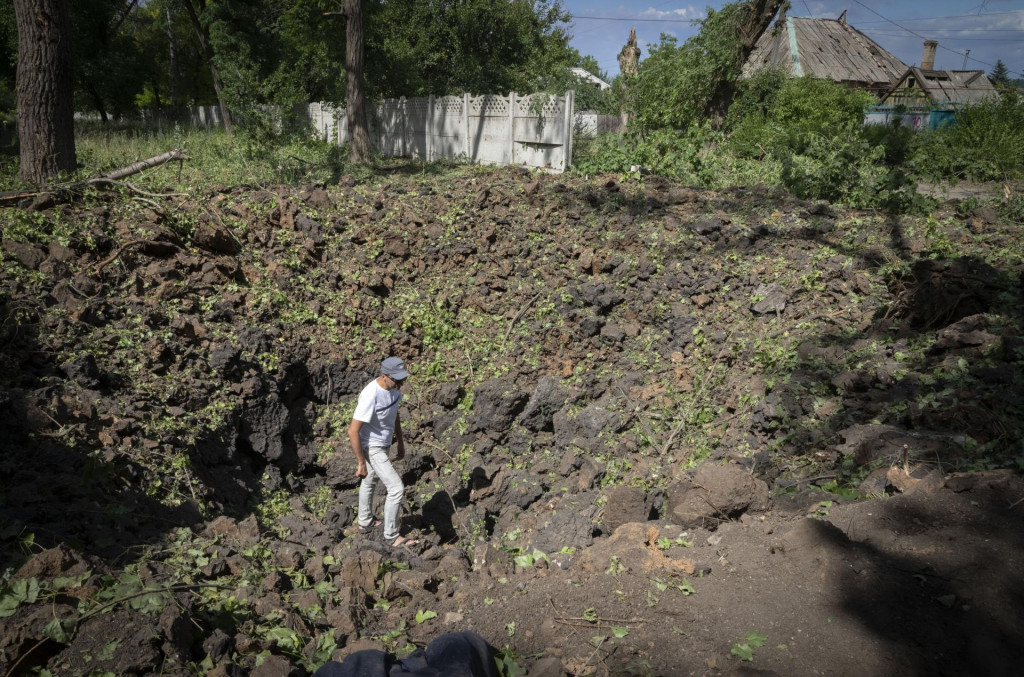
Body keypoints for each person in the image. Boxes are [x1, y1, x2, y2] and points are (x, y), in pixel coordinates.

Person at [348, 356, 419, 548]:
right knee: (396, 488)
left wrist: (400, 442)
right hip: (372, 446)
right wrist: (361, 462)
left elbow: (394, 415)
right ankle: (391, 536)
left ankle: (365, 521)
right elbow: (353, 430)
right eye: (397, 379)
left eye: (403, 379)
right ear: (384, 375)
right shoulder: (371, 394)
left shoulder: (395, 390)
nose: (400, 383)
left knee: (370, 480)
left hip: (385, 443)